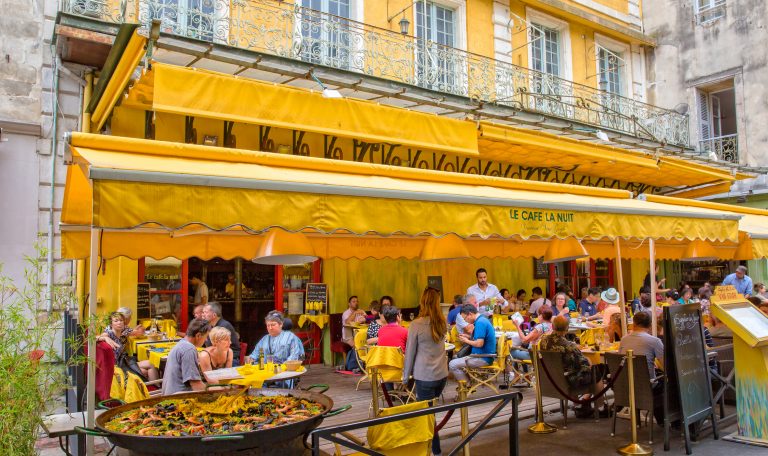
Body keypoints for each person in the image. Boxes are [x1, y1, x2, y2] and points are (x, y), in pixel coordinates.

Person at [403, 288, 449, 456]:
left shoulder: (416, 324)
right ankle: (431, 449)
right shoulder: (442, 322)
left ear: (422, 301)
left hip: (424, 376)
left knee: (427, 416)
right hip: (442, 375)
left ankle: (434, 451)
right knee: (431, 414)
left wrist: (404, 376)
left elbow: (410, 352)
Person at [540, 316, 595, 414]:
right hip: (567, 380)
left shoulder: (544, 340)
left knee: (574, 367)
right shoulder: (569, 346)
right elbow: (583, 363)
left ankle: (579, 403)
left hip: (548, 379)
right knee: (596, 372)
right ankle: (598, 407)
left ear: (552, 326)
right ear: (567, 328)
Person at [618, 311, 664, 424]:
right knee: (668, 382)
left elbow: (621, 361)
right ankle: (664, 420)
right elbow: (665, 366)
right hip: (647, 386)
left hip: (625, 385)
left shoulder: (624, 339)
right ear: (650, 325)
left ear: (633, 324)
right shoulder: (654, 341)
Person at [98, 312, 159, 381]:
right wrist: (105, 338)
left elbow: (137, 332)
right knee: (145, 371)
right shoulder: (109, 332)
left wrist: (140, 330)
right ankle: (150, 388)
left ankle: (156, 388)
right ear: (111, 324)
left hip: (124, 361)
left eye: (121, 320)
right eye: (116, 321)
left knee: (151, 363)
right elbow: (94, 338)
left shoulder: (124, 330)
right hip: (116, 366)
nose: (119, 323)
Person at [161, 318, 210, 395]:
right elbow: (195, 384)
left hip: (170, 394)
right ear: (198, 335)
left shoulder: (182, 344)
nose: (206, 340)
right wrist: (212, 393)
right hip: (178, 398)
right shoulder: (189, 349)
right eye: (206, 336)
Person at [449, 305, 496, 382]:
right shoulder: (482, 319)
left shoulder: (480, 323)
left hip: (483, 358)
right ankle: (467, 383)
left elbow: (479, 343)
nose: (466, 321)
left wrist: (466, 340)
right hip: (481, 356)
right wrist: (468, 336)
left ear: (470, 314)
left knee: (452, 364)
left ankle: (466, 386)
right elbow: (479, 338)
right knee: (455, 359)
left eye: (465, 318)